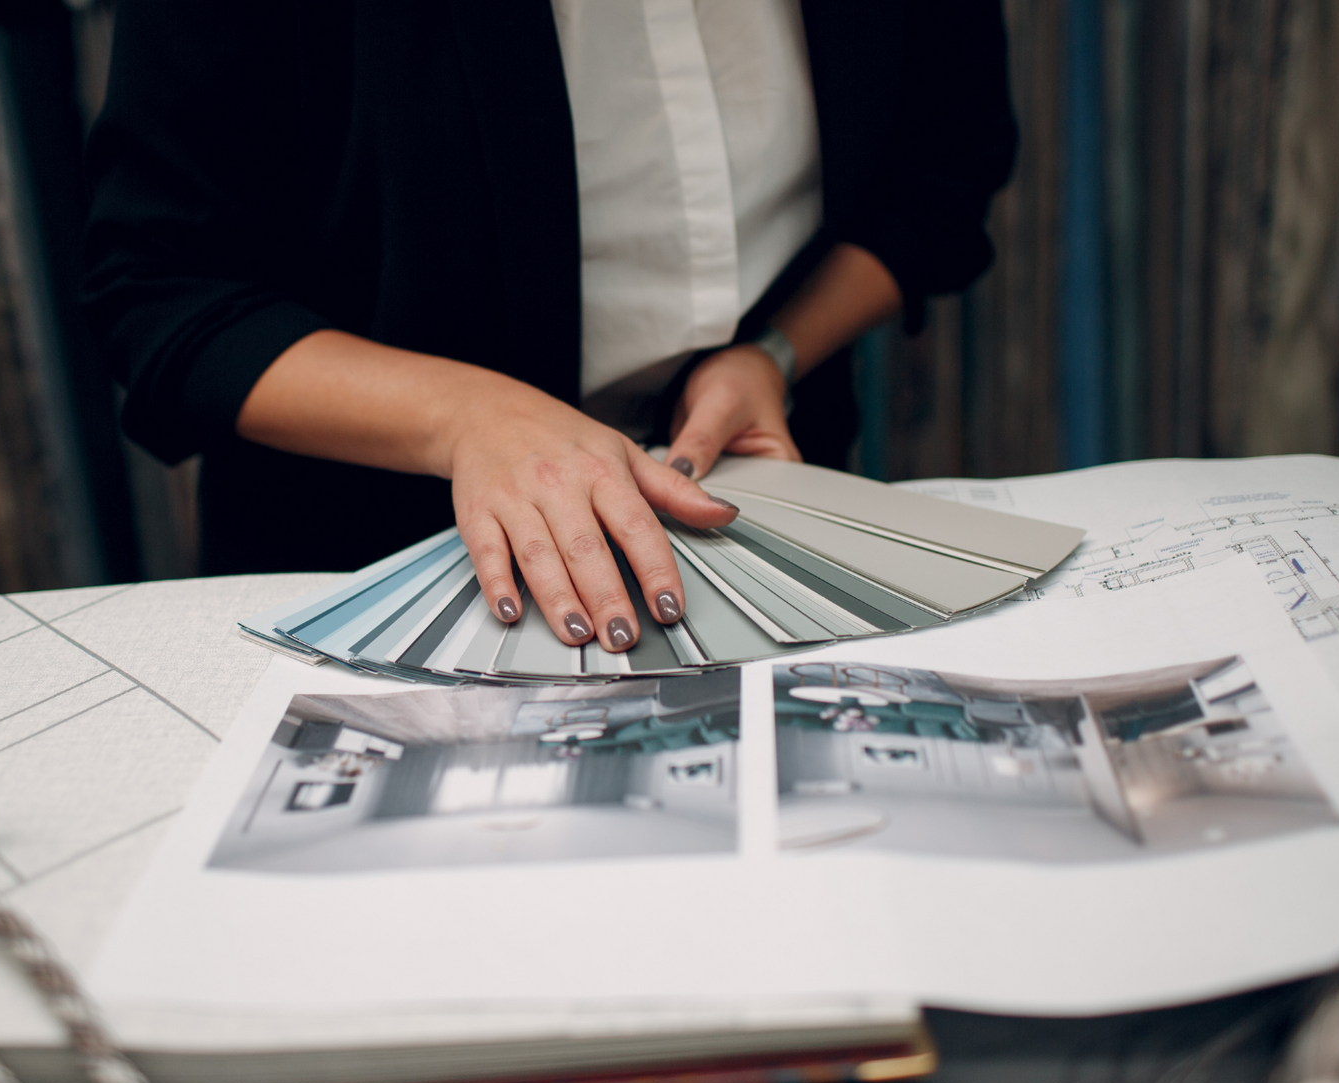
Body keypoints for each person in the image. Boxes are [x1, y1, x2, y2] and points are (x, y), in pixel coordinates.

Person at [83, 2, 1016, 656]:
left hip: (752, 501)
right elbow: (160, 286)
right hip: (380, 559)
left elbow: (942, 167)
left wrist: (772, 352)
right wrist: (470, 420)